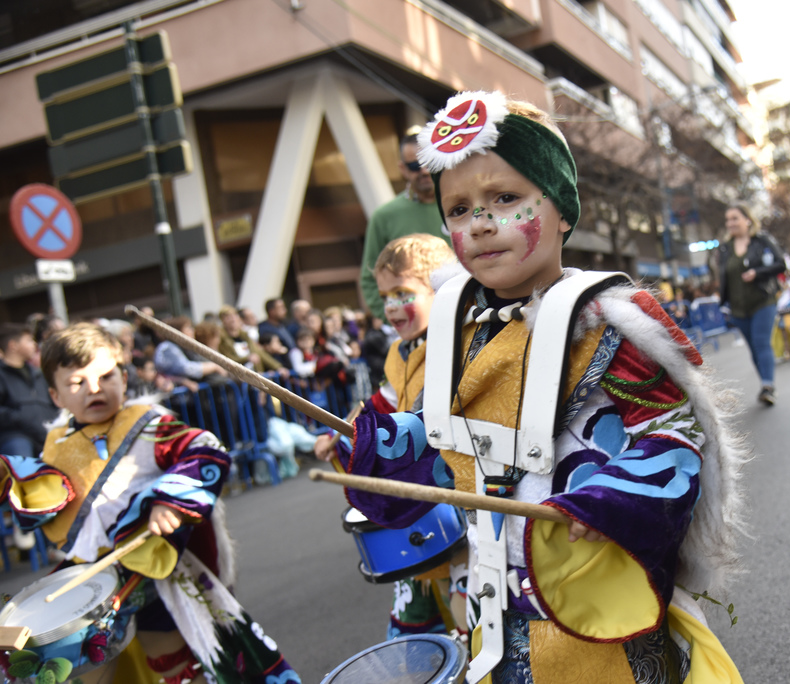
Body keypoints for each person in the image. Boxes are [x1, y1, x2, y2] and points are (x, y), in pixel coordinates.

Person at [324, 91, 745, 683]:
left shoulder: (609, 322)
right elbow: (446, 436)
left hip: (592, 607)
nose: (483, 223)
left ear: (562, 207)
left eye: (506, 198)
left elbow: (673, 434)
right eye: (461, 209)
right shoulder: (455, 328)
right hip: (490, 607)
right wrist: (384, 444)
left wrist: (610, 500)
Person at [0, 323, 299, 683]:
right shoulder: (55, 442)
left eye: (106, 375)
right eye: (77, 383)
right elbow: (44, 494)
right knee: (83, 668)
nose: (95, 389)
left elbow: (205, 450)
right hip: (88, 575)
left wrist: (170, 502)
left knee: (175, 659)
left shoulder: (150, 425)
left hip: (155, 568)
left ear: (124, 379)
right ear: (56, 396)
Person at [316, 232, 458, 639]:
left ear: (440, 288)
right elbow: (379, 402)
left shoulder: (460, 342)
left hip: (454, 487)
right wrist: (339, 432)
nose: (390, 307)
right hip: (415, 497)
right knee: (421, 603)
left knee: (465, 599)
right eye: (384, 296)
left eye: (402, 293)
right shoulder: (399, 352)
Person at [359, 129, 450, 320]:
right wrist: (395, 319)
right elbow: (369, 278)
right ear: (402, 168)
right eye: (415, 165)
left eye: (429, 163)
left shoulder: (460, 203)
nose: (424, 171)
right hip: (415, 325)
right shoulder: (384, 216)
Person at [717, 205, 786, 406]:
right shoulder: (725, 248)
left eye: (735, 218)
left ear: (747, 219)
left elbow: (781, 264)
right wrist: (723, 302)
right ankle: (766, 383)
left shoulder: (762, 241)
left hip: (763, 301)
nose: (730, 223)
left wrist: (758, 273)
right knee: (754, 349)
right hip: (738, 308)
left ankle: (767, 386)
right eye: (728, 219)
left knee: (761, 342)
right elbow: (723, 277)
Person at [0, 323, 59, 460]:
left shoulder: (39, 375)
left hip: (46, 434)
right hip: (15, 436)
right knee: (20, 453)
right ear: (13, 345)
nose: (34, 344)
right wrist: (22, 417)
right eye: (28, 340)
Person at [218, 305, 286, 375]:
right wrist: (247, 359)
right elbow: (228, 360)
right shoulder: (222, 340)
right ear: (223, 321)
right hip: (239, 377)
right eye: (228, 317)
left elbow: (260, 353)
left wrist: (277, 367)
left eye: (234, 316)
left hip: (255, 374)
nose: (232, 319)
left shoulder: (246, 336)